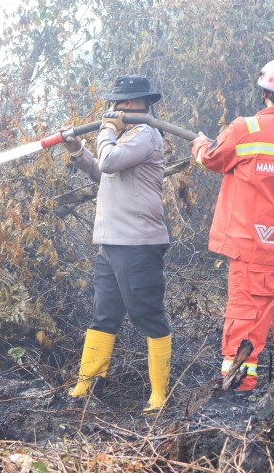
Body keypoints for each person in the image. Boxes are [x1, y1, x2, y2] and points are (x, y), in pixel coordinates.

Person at [191, 55, 274, 392]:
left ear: (265, 91)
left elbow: (211, 159)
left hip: (254, 256)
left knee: (244, 335)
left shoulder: (245, 129)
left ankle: (236, 403)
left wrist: (198, 144)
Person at [63, 75, 172, 412]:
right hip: (111, 242)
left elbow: (109, 160)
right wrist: (78, 151)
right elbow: (103, 171)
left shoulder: (145, 134)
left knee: (147, 314)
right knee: (104, 314)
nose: (110, 109)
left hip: (138, 243)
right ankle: (85, 385)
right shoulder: (126, 136)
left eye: (115, 103)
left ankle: (158, 395)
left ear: (127, 104)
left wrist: (106, 131)